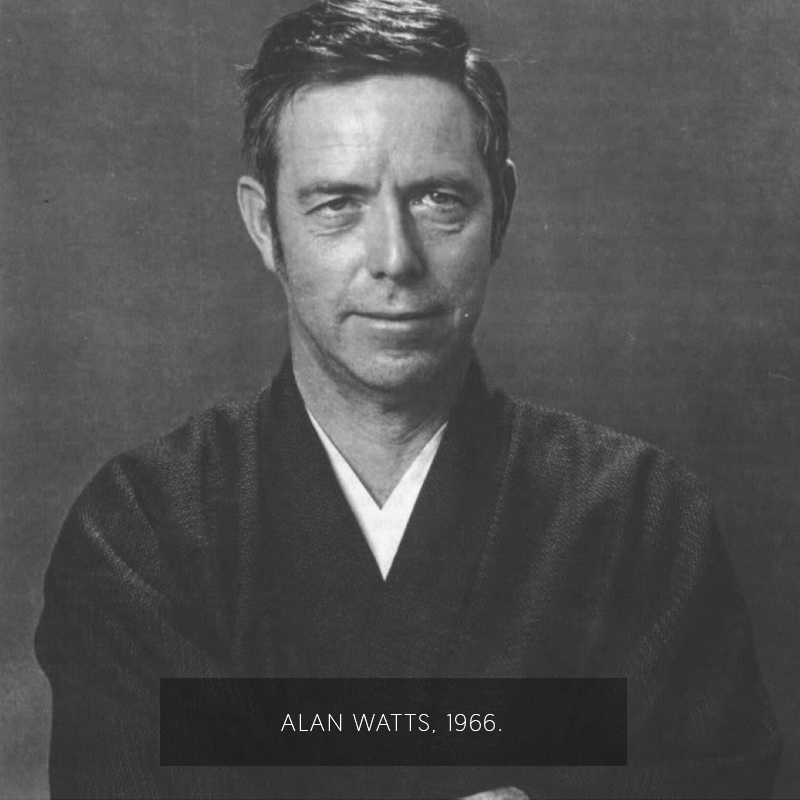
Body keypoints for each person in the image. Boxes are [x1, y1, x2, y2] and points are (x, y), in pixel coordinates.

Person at [35, 1, 781, 798]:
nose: (394, 257)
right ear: (264, 224)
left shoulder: (641, 522)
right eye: (337, 204)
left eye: (439, 200)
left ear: (502, 210)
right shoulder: (145, 531)